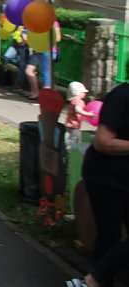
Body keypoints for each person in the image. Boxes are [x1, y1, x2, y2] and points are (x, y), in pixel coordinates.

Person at [65, 79, 129, 287]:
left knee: (109, 237)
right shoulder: (123, 96)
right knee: (108, 235)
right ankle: (93, 282)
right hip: (107, 177)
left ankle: (93, 281)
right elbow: (103, 141)